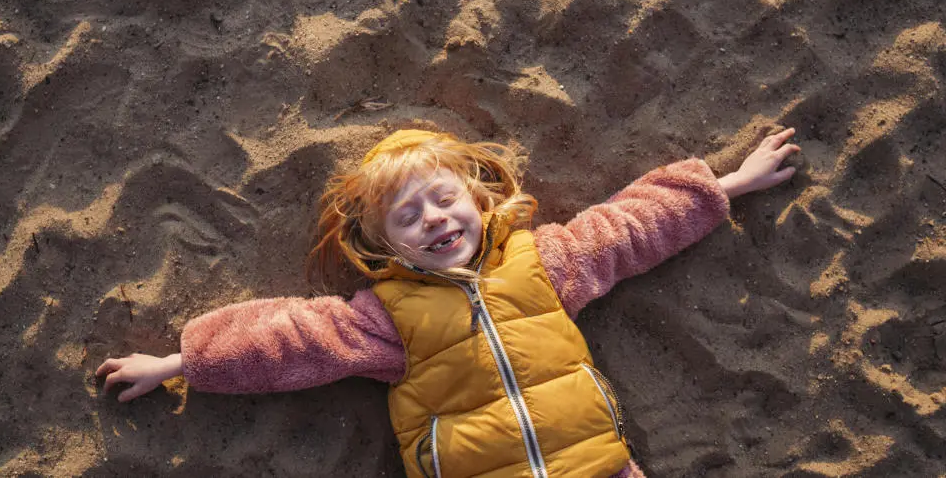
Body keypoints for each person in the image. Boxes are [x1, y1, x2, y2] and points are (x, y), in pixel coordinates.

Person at [97, 127, 801, 477]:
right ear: (386, 247)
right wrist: (176, 361)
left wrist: (729, 184)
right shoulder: (383, 317)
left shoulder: (544, 261)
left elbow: (626, 228)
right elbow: (289, 338)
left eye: (444, 200)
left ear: (478, 201)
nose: (434, 219)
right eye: (409, 216)